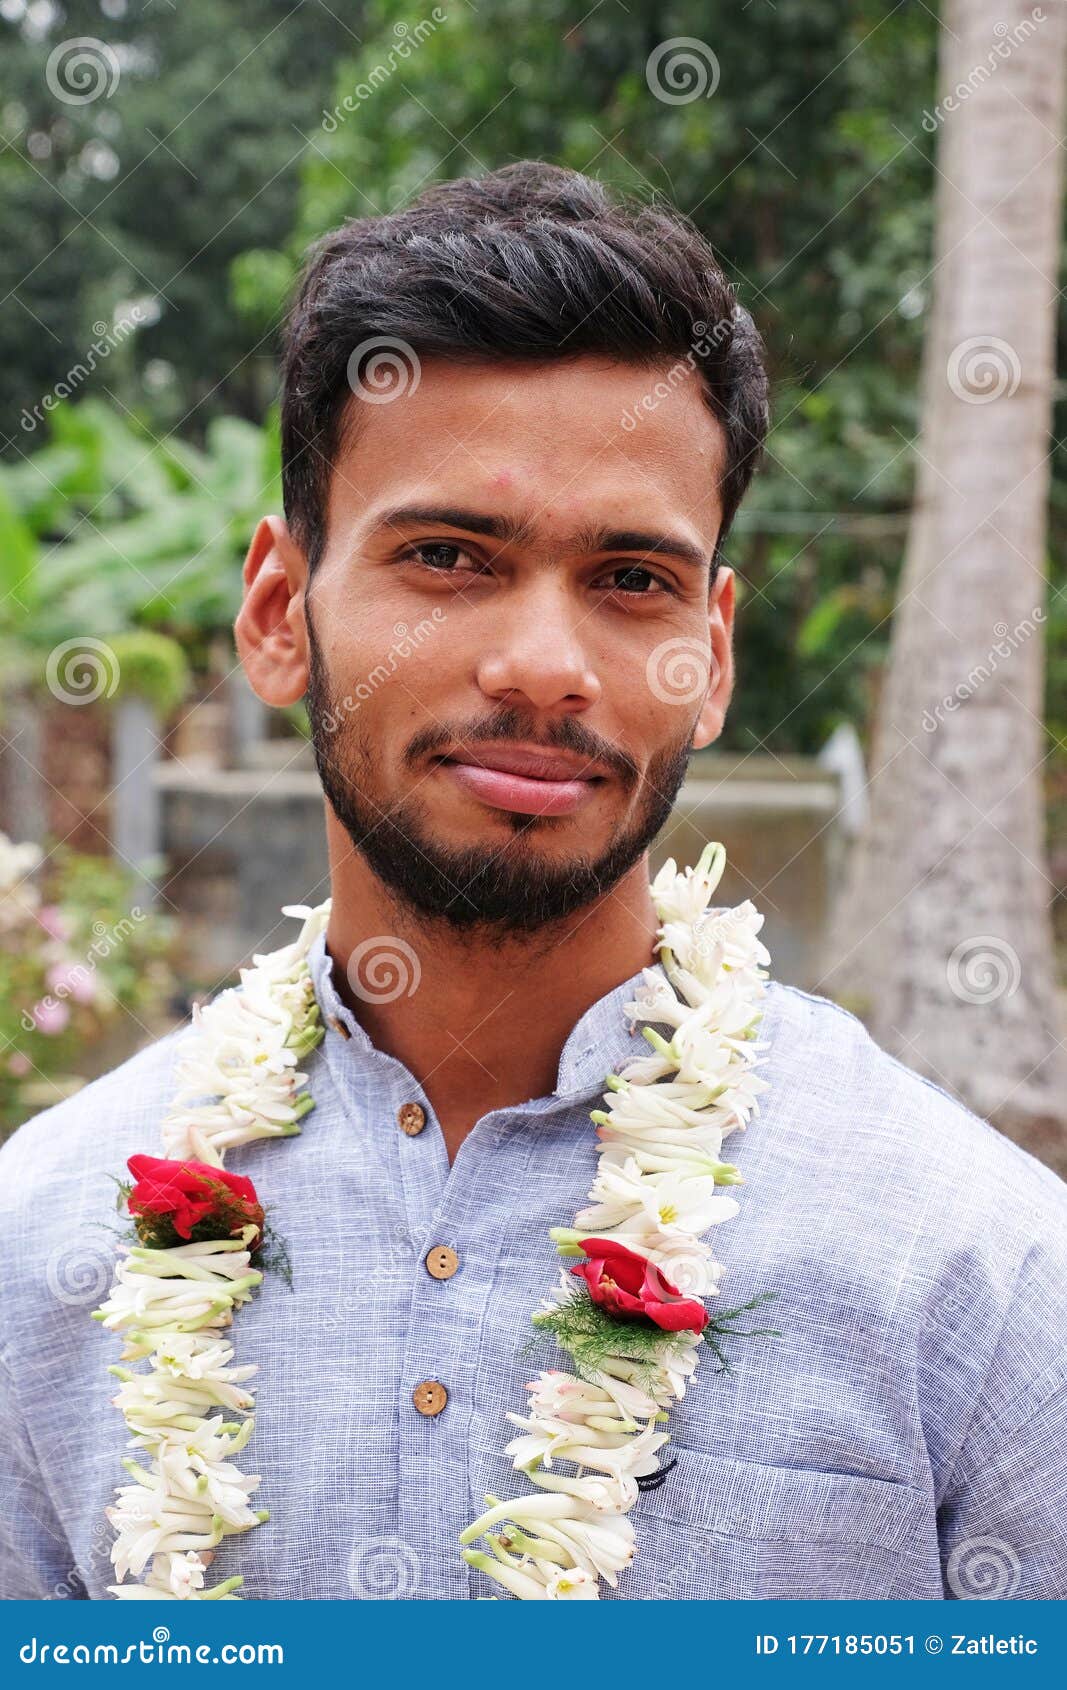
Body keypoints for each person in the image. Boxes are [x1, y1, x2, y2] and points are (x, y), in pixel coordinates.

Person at [1, 162, 1064, 1603]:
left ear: (713, 657)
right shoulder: (42, 1254)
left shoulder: (976, 1272)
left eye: (632, 578)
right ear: (277, 615)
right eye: (448, 556)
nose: (545, 665)